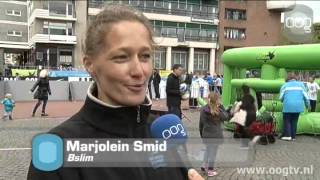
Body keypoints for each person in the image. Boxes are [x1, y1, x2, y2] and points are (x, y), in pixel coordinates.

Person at [27, 5, 203, 180]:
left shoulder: (164, 134)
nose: (139, 71)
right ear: (90, 64)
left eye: (145, 56)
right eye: (121, 57)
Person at [199, 92, 228, 177]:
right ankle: (210, 170)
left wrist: (202, 134)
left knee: (208, 150)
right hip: (215, 135)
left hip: (206, 134)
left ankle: (204, 165)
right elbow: (226, 117)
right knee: (213, 152)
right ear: (217, 100)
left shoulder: (203, 109)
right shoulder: (218, 110)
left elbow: (201, 124)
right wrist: (222, 107)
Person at [279, 73, 309, 141]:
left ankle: (288, 135)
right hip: (298, 106)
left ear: (287, 78)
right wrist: (307, 106)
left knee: (287, 120)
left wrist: (284, 99)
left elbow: (280, 98)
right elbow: (306, 97)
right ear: (295, 78)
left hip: (288, 106)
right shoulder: (301, 85)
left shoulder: (284, 85)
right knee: (294, 121)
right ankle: (293, 137)